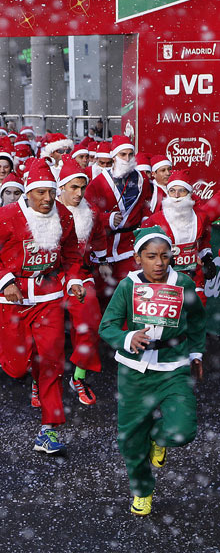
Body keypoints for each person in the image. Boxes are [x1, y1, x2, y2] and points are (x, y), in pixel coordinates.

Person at [0, 159, 84, 453]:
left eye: (51, 192)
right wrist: (5, 282)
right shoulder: (5, 217)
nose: (47, 199)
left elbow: (73, 252)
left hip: (48, 298)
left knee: (51, 361)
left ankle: (48, 430)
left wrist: (73, 279)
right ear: (28, 193)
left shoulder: (64, 216)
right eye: (40, 193)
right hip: (13, 299)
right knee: (16, 367)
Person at [99, 227, 205, 516]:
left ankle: (159, 439)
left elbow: (196, 320)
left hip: (173, 366)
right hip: (134, 370)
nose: (159, 263)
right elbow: (107, 325)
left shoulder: (183, 283)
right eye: (151, 256)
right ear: (137, 258)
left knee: (183, 430)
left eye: (164, 256)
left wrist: (196, 353)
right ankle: (142, 491)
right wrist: (126, 338)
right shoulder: (127, 286)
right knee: (131, 439)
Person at [56, 158, 108, 405]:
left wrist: (103, 261)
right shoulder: (48, 208)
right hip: (51, 277)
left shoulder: (92, 212)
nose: (78, 193)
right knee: (42, 332)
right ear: (62, 187)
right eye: (73, 187)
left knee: (89, 323)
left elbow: (98, 239)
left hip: (82, 274)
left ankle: (78, 376)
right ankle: (39, 382)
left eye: (82, 187)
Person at [85, 135, 152, 299]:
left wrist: (145, 225)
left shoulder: (142, 179)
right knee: (102, 293)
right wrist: (105, 219)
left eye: (130, 154)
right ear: (114, 157)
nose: (127, 158)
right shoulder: (99, 182)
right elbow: (86, 213)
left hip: (129, 245)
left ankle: (127, 325)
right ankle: (105, 324)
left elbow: (146, 206)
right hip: (104, 245)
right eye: (123, 154)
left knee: (130, 291)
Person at [142, 170, 215, 305]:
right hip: (166, 276)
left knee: (196, 314)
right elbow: (143, 248)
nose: (176, 196)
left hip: (194, 275)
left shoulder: (201, 217)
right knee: (171, 319)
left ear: (189, 193)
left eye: (181, 191)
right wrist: (163, 258)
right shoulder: (155, 220)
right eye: (172, 191)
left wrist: (207, 258)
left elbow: (204, 240)